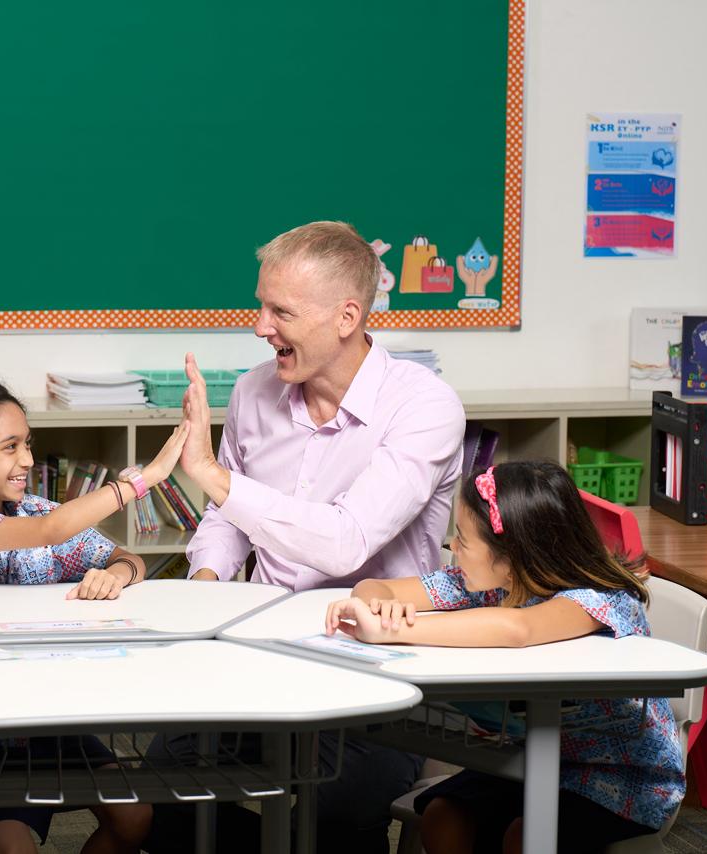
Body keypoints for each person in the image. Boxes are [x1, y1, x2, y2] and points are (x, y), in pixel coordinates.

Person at [149, 221, 466, 853]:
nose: (260, 326)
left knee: (338, 814)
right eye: (260, 305)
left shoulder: (424, 408)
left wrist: (213, 476)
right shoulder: (251, 391)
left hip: (376, 669)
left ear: (347, 316)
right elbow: (229, 516)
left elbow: (347, 542)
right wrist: (207, 581)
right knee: (166, 781)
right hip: (258, 651)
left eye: (280, 311)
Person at [325, 461, 683, 854]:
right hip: (525, 763)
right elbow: (378, 587)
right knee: (443, 817)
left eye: (462, 538)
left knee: (524, 838)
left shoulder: (600, 599)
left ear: (511, 557)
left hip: (621, 778)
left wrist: (388, 631)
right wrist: (374, 605)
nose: (452, 547)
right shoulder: (486, 581)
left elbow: (519, 629)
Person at [0, 376, 189, 853]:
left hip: (50, 723)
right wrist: (141, 480)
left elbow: (128, 557)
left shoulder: (33, 508)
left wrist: (116, 574)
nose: (28, 461)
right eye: (10, 447)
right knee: (17, 850)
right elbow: (51, 530)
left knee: (134, 816)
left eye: (27, 444)